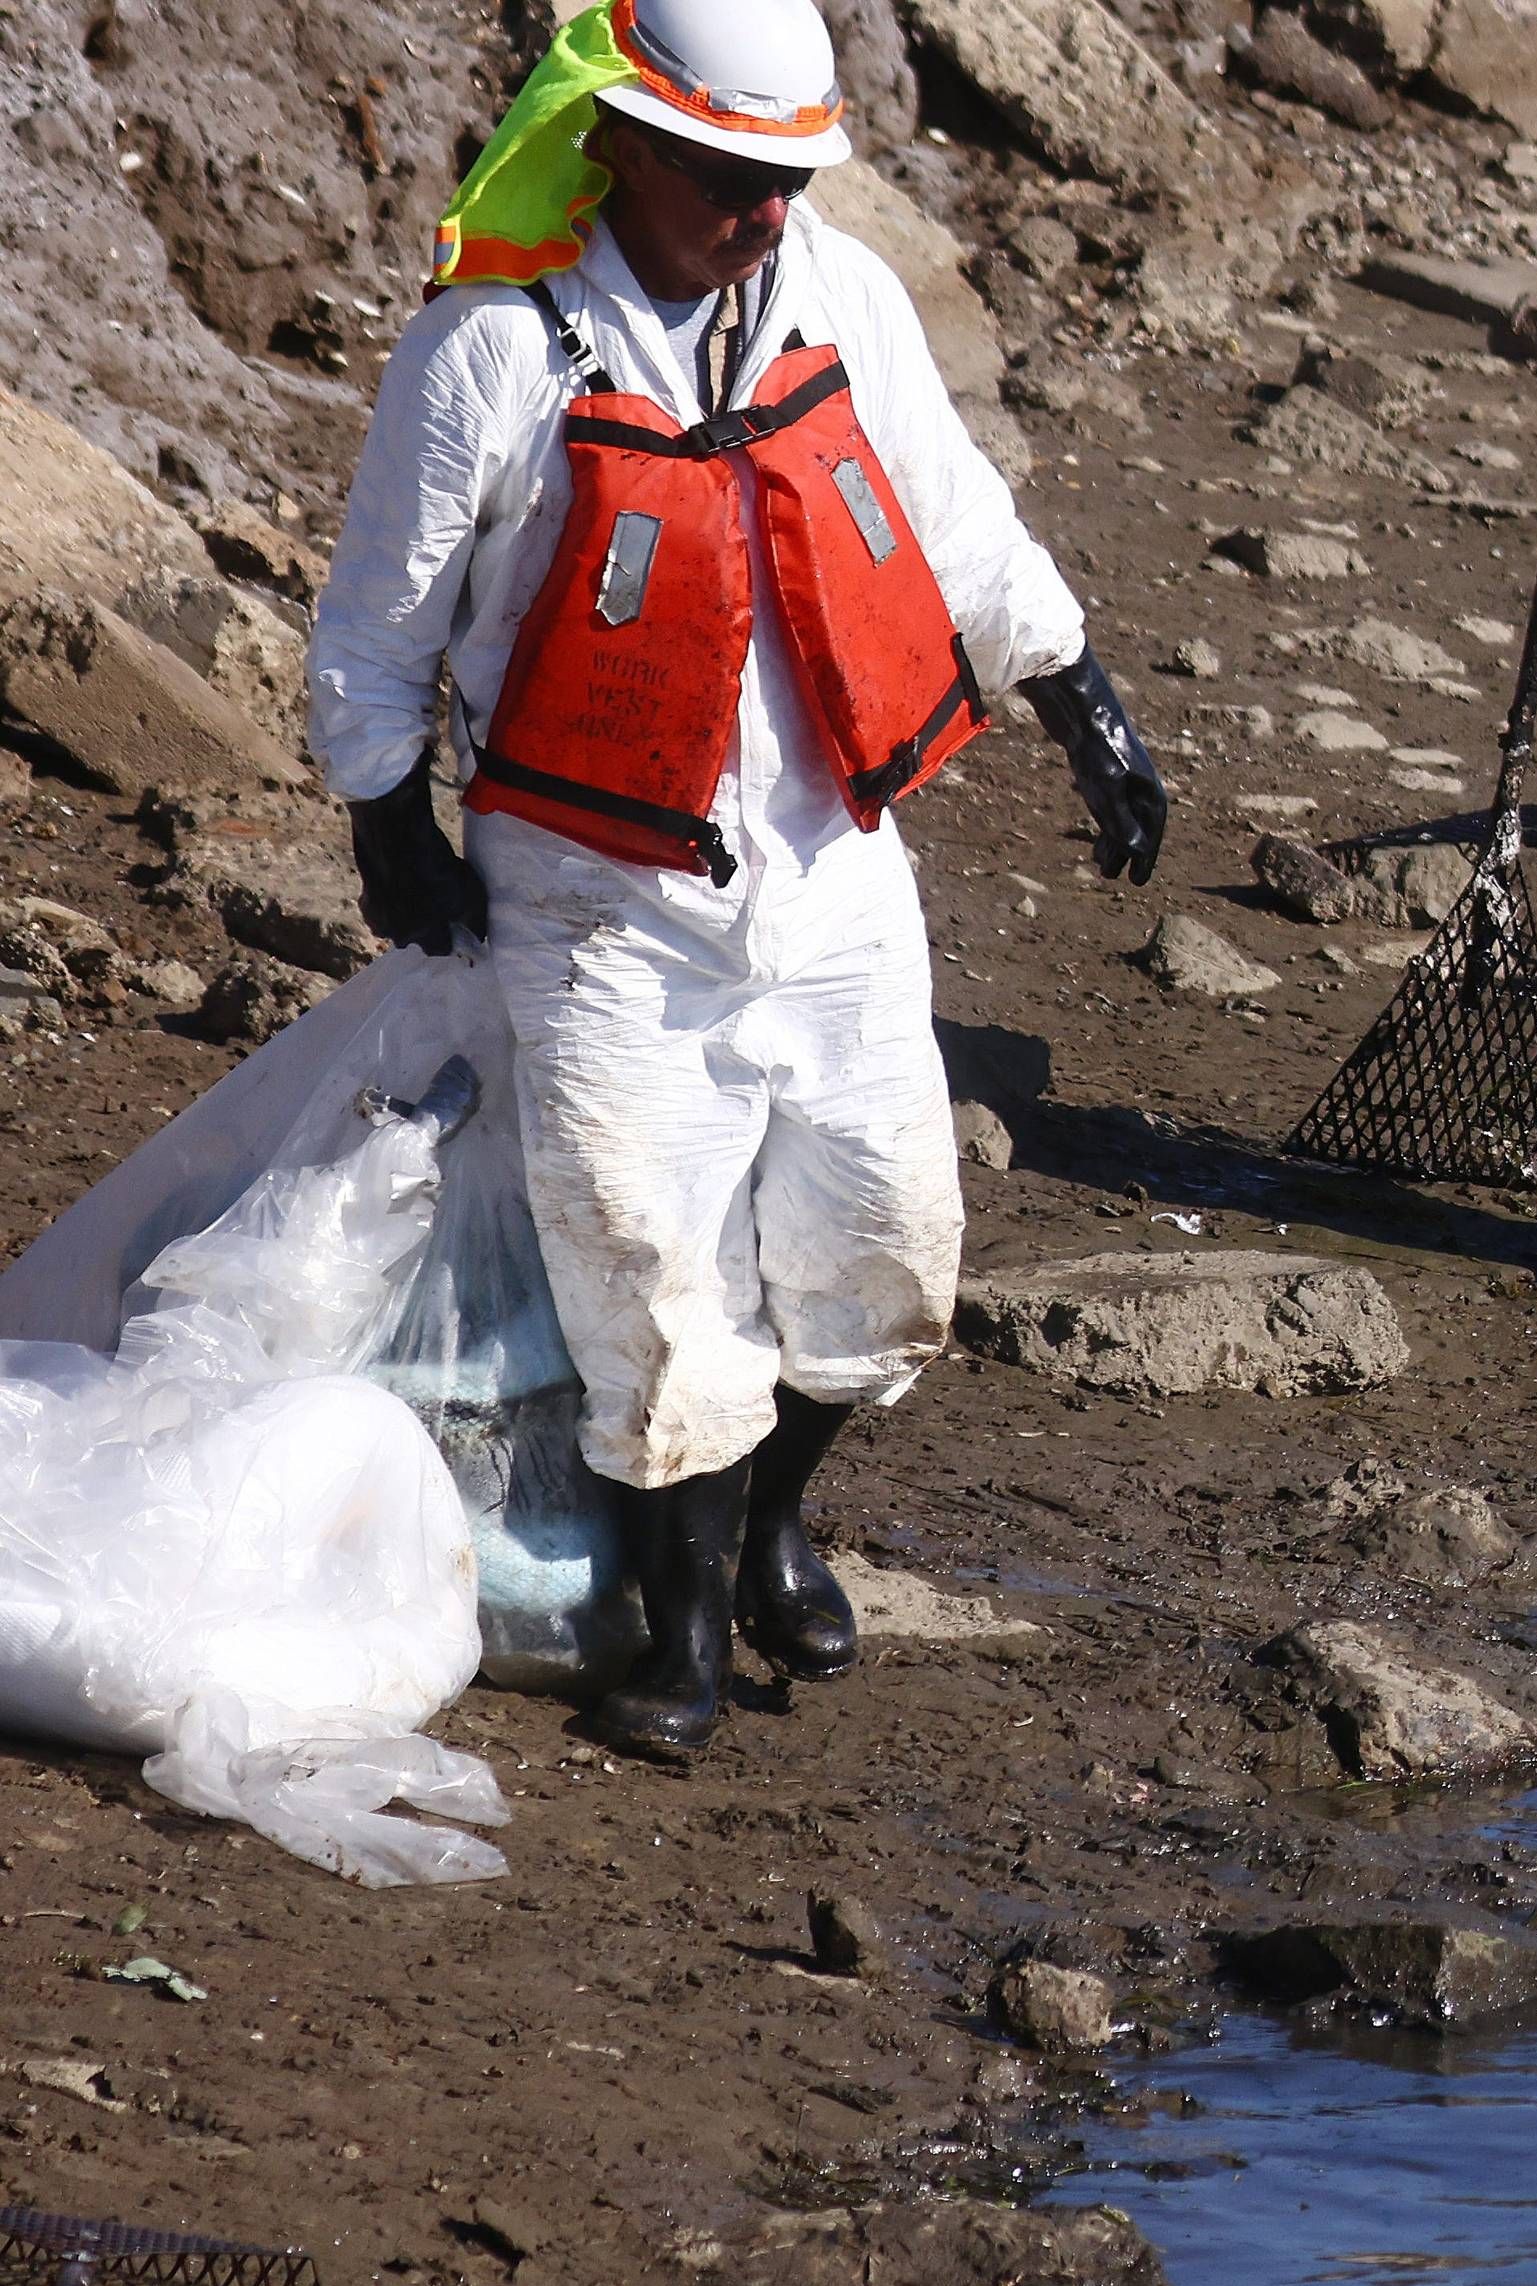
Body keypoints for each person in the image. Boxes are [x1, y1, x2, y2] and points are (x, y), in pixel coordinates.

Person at [315, 0, 1163, 1759]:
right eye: (725, 176)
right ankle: (682, 1623)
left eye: (788, 180)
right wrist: (386, 815)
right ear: (622, 142)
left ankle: (776, 1524)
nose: (763, 213)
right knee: (649, 1264)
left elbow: (950, 511)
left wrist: (1081, 695)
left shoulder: (837, 296)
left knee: (887, 1240)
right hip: (598, 902)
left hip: (834, 870)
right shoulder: (493, 351)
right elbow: (382, 616)